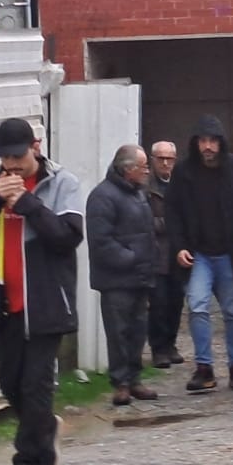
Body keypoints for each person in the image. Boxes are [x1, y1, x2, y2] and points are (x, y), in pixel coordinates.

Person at [0, 118, 84, 465]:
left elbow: (67, 238)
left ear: (36, 147)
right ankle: (45, 433)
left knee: (36, 385)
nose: (11, 165)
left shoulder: (63, 184)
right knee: (9, 383)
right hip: (4, 303)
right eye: (5, 158)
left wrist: (28, 204)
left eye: (18, 156)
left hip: (45, 302)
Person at [167, 115, 233, 394]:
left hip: (231, 254)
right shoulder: (183, 173)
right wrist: (179, 245)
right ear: (195, 143)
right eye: (203, 141)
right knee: (196, 306)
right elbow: (173, 212)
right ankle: (204, 367)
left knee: (232, 311)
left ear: (221, 143)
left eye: (212, 141)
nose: (207, 147)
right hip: (199, 254)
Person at [86, 144, 162, 407]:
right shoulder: (102, 197)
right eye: (143, 167)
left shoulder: (139, 194)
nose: (147, 171)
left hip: (139, 276)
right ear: (128, 169)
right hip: (116, 279)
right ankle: (121, 383)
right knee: (118, 332)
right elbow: (101, 241)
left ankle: (134, 377)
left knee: (138, 330)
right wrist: (132, 258)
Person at [144, 139, 184, 366]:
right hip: (156, 253)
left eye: (169, 159)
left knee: (176, 302)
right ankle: (158, 348)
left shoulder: (180, 184)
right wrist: (169, 223)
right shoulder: (146, 187)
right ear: (153, 160)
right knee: (158, 304)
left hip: (176, 253)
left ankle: (171, 344)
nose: (166, 163)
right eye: (161, 159)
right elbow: (143, 219)